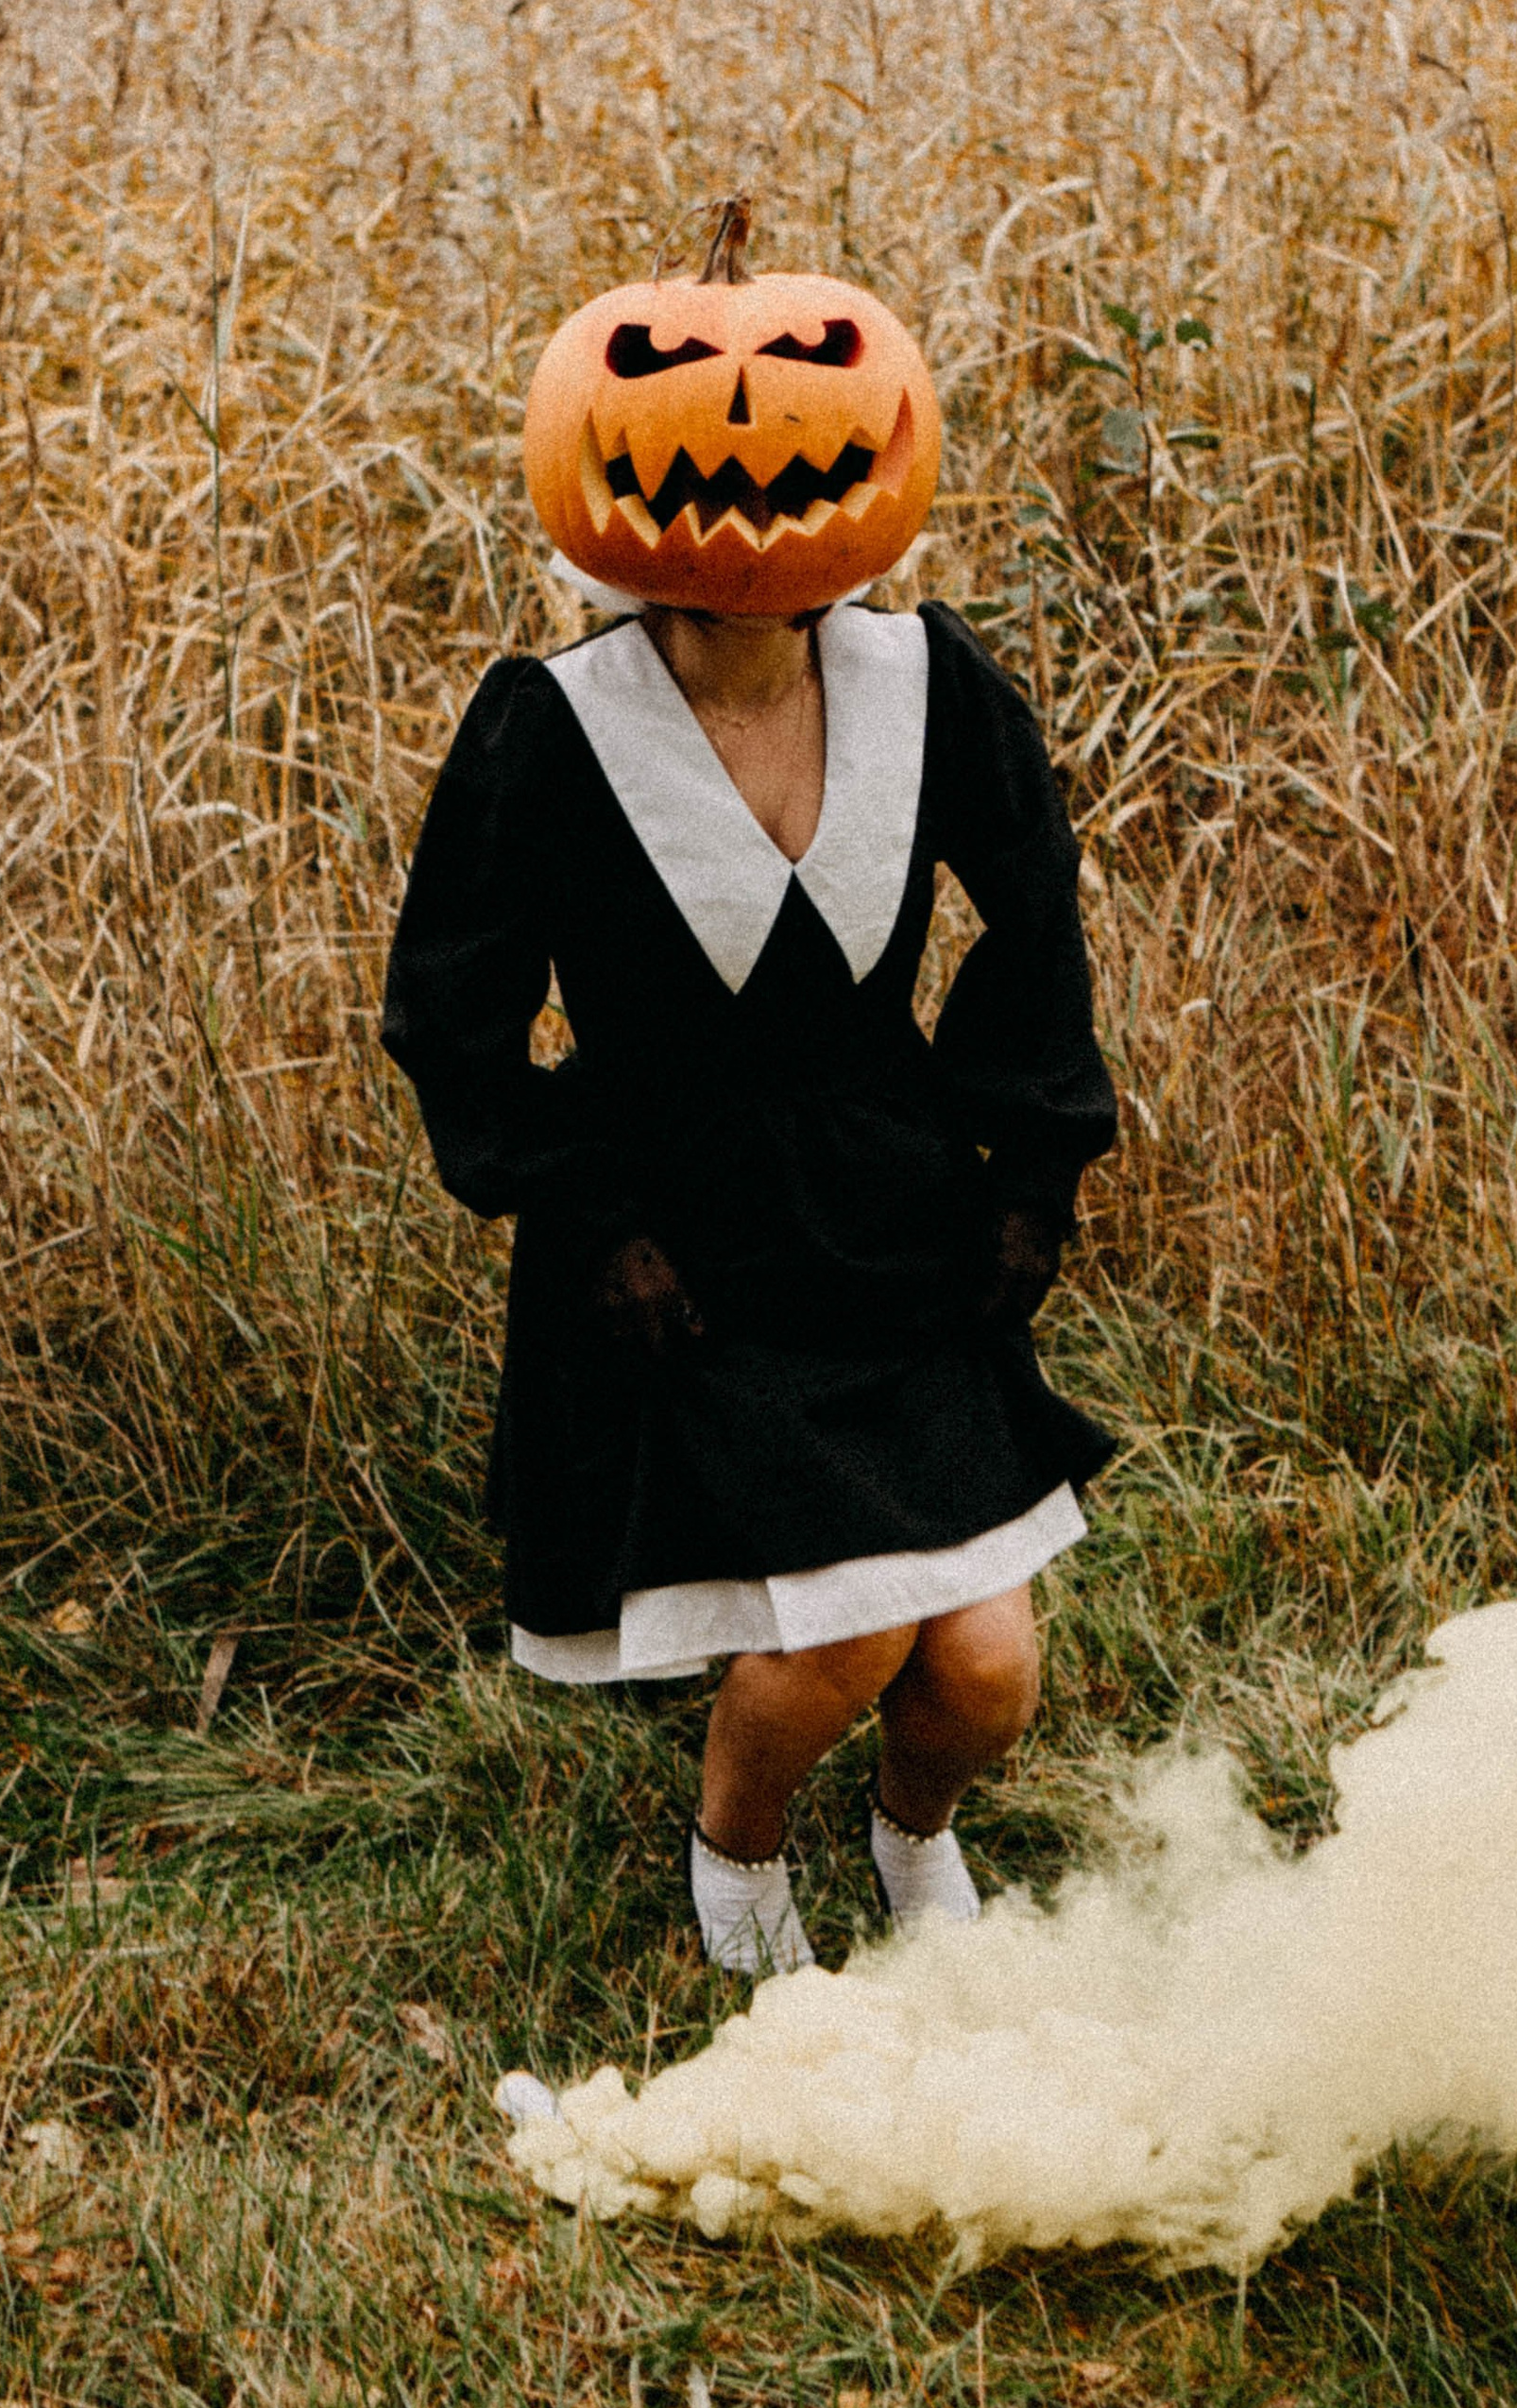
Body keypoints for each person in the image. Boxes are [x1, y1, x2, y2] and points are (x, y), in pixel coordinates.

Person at [381, 342, 1116, 1974]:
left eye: (798, 402)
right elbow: (452, 1008)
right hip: (689, 1252)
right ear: (603, 472)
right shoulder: (555, 725)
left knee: (986, 1669)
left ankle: (909, 1840)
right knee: (848, 1632)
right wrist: (585, 1215)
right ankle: (740, 1871)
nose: (749, 459)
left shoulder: (930, 679)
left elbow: (1039, 907)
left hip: (896, 1214)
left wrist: (1030, 1166)